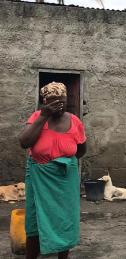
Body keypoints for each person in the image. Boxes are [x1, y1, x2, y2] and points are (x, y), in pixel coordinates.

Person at [19, 82, 86, 259]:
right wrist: (44, 115)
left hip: (65, 178)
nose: (59, 105)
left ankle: (63, 256)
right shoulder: (36, 117)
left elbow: (81, 150)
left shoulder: (75, 121)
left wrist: (62, 163)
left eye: (62, 101)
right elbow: (24, 142)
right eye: (54, 102)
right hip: (38, 177)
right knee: (34, 219)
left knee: (65, 218)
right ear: (45, 101)